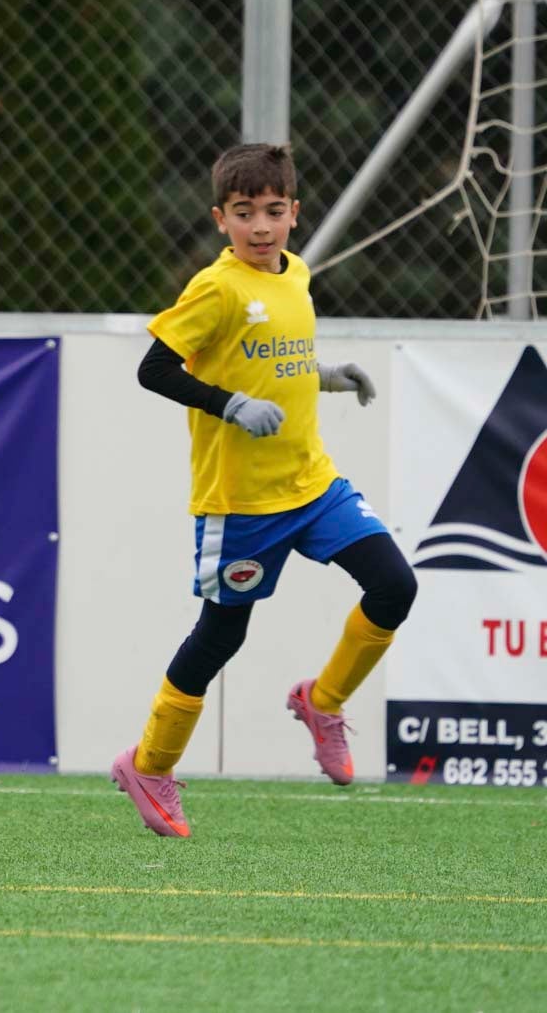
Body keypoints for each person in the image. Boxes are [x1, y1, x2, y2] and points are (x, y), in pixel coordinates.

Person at [111, 143, 418, 837]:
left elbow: (277, 358)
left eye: (274, 212)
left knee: (395, 585)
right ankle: (149, 763)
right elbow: (154, 369)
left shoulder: (297, 273)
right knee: (222, 635)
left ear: (294, 214)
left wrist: (325, 374)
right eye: (244, 214)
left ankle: (323, 700)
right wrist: (229, 406)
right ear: (221, 218)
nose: (261, 227)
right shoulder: (216, 288)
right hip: (241, 504)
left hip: (312, 484)